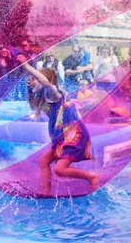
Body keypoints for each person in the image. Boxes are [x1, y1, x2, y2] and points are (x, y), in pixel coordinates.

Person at [16, 54, 99, 196]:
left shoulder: (56, 93)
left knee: (60, 169)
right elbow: (33, 105)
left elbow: (46, 83)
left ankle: (91, 176)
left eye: (36, 79)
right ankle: (46, 192)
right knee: (43, 161)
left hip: (74, 136)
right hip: (62, 138)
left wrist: (27, 67)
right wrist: (30, 88)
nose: (34, 81)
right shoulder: (46, 100)